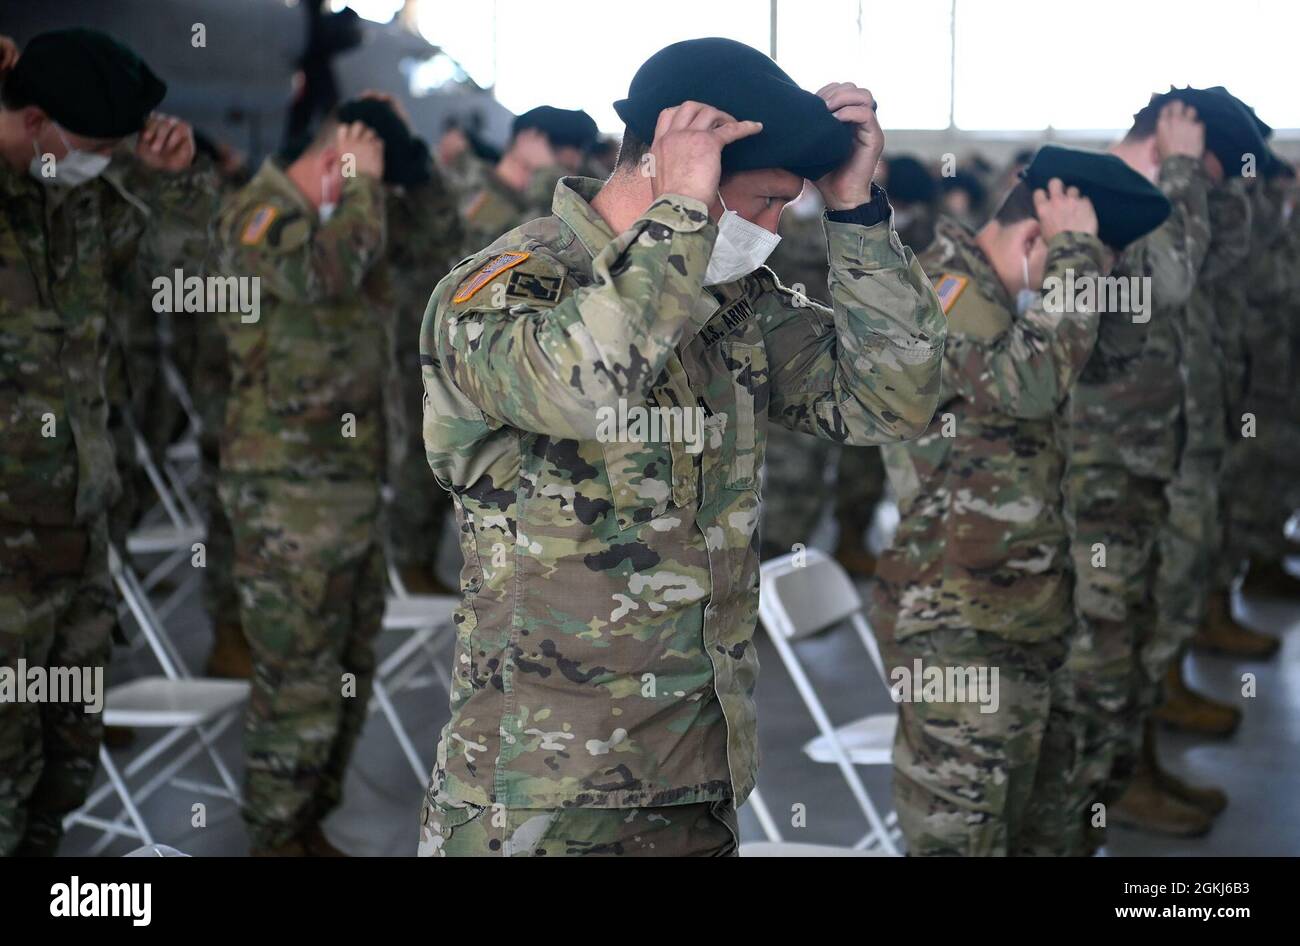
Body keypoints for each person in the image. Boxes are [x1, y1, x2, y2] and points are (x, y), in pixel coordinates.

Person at [417, 36, 946, 857]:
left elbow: (895, 400)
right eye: (765, 201)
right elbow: (583, 383)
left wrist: (859, 215)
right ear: (676, 169)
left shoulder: (729, 302)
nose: (773, 230)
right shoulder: (511, 286)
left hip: (698, 777)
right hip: (542, 800)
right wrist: (684, 216)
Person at [872, 145, 1172, 856]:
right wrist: (1075, 254)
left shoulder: (1011, 305)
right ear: (1040, 240)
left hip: (1024, 617)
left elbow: (1121, 353)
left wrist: (1091, 260)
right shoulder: (939, 295)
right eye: (1080, 268)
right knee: (963, 843)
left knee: (1054, 833)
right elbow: (1031, 384)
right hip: (959, 628)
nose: (1086, 285)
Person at [0, 28, 209, 855]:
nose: (102, 164)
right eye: (93, 149)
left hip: (78, 542)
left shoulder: (79, 200)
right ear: (40, 120)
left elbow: (184, 283)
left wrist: (174, 187)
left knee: (64, 763)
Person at [214, 110, 388, 856]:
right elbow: (318, 277)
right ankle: (274, 836)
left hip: (344, 483)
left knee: (349, 663)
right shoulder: (257, 217)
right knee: (299, 676)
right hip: (287, 490)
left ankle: (309, 820)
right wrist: (360, 190)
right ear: (330, 163)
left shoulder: (331, 220)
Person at [1061, 94, 1217, 843]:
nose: (1209, 183)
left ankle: (1127, 776)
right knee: (1104, 644)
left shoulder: (1142, 198)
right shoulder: (1105, 197)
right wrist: (1183, 173)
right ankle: (1097, 797)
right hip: (1095, 467)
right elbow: (1176, 282)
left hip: (1139, 461)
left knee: (1130, 634)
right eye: (1205, 164)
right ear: (1170, 140)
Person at [458, 106, 599, 255]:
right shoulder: (476, 188)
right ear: (529, 137)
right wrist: (550, 174)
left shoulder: (533, 193)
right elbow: (517, 247)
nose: (576, 160)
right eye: (563, 144)